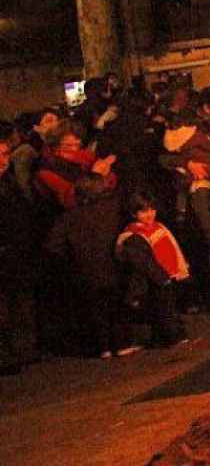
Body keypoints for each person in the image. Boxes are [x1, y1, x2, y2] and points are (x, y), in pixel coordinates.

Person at [159, 89, 210, 313]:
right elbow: (164, 157)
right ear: (206, 108)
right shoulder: (187, 130)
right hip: (201, 191)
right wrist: (188, 164)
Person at [42, 173, 133, 358]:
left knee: (96, 309)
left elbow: (53, 245)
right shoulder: (112, 209)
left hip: (84, 270)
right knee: (116, 306)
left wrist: (71, 258)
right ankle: (121, 343)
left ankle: (103, 347)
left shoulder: (69, 217)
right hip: (112, 264)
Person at [115, 194, 190, 347]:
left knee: (169, 307)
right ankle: (170, 336)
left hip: (170, 274)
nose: (149, 214)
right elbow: (143, 262)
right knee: (162, 309)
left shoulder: (159, 226)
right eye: (143, 211)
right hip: (156, 278)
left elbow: (173, 248)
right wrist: (160, 277)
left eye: (151, 209)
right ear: (134, 214)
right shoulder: (133, 234)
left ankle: (170, 335)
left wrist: (181, 267)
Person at [0, 133, 38, 373]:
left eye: (4, 154)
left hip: (17, 255)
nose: (3, 160)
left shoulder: (10, 183)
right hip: (5, 254)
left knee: (20, 304)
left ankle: (22, 350)